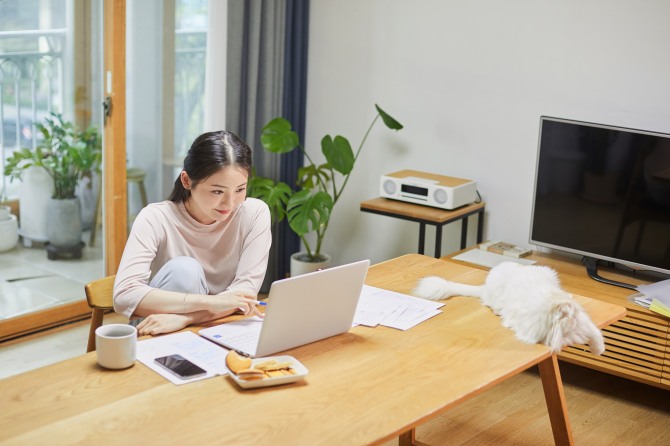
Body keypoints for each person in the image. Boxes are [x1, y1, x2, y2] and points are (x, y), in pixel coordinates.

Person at [113, 130, 272, 336]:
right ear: (187, 181)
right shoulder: (155, 218)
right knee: (185, 270)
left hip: (211, 327)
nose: (229, 203)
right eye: (217, 191)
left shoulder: (254, 213)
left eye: (240, 190)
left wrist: (185, 319)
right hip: (155, 330)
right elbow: (124, 296)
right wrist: (211, 302)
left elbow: (244, 295)